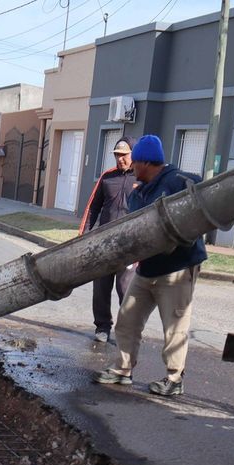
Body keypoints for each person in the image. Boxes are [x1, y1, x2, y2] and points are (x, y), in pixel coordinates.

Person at [95, 133, 206, 398]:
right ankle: (122, 370)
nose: (131, 168)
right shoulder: (139, 192)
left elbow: (203, 191)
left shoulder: (178, 181)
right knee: (127, 319)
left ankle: (174, 379)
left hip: (177, 268)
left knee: (175, 326)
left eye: (135, 163)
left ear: (145, 162)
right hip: (146, 268)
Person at [80, 138, 137, 344]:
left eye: (124, 155)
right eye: (117, 155)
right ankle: (102, 326)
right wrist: (84, 236)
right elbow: (92, 208)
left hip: (130, 245)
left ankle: (127, 330)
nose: (120, 159)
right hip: (104, 244)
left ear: (133, 154)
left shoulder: (141, 178)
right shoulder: (107, 177)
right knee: (101, 288)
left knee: (126, 289)